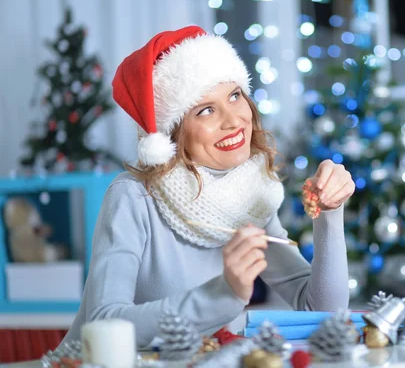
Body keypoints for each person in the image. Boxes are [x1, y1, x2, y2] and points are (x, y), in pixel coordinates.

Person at [61, 25, 355, 348]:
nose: (233, 120)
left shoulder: (249, 195)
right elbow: (103, 323)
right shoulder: (133, 196)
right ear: (173, 132)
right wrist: (223, 294)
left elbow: (322, 310)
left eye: (234, 95)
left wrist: (330, 213)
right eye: (206, 110)